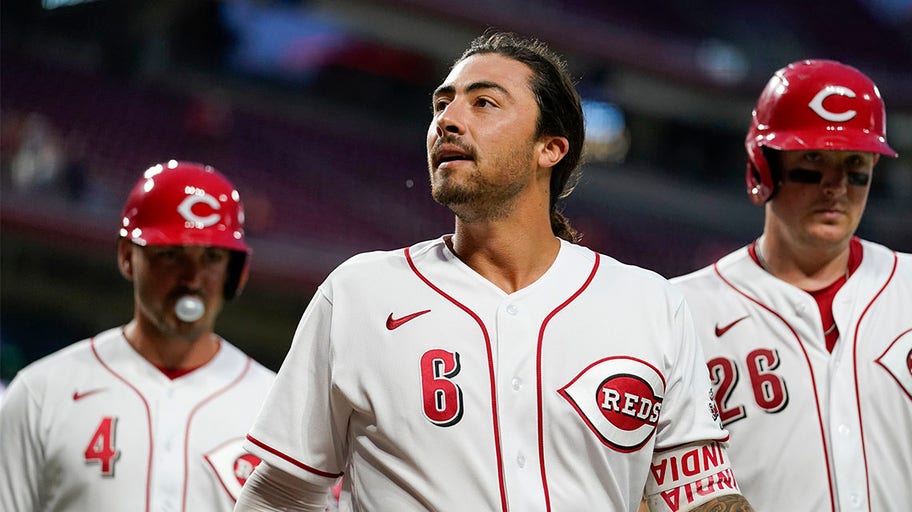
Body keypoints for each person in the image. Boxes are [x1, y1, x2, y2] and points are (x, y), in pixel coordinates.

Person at [234, 32, 754, 512]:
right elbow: (283, 491)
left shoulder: (649, 303)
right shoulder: (359, 293)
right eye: (443, 103)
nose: (449, 119)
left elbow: (700, 497)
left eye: (483, 102)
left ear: (549, 148)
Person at [669, 59, 912, 511]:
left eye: (855, 164)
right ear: (762, 168)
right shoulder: (681, 311)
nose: (835, 187)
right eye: (812, 162)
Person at [0, 160, 278, 511]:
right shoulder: (41, 393)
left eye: (211, 257)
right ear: (127, 257)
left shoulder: (275, 408)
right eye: (170, 255)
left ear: (236, 273)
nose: (192, 279)